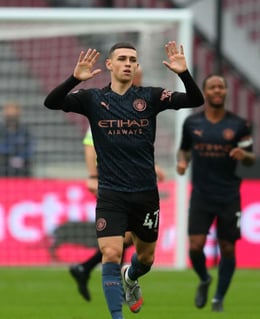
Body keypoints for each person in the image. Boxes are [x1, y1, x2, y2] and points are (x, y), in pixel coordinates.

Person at [44, 41, 204, 319]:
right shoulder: (92, 99)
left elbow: (194, 100)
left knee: (146, 259)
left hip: (145, 194)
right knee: (109, 253)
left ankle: (131, 278)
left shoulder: (150, 98)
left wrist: (184, 73)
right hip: (111, 193)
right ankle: (117, 316)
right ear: (110, 65)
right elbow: (52, 102)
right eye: (122, 59)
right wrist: (74, 79)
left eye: (133, 59)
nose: (128, 63)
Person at [176, 74, 255, 312]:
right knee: (195, 246)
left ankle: (219, 297)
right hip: (201, 195)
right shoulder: (192, 123)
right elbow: (184, 151)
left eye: (221, 86)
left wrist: (245, 156)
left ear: (226, 92)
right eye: (213, 87)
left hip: (229, 195)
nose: (217, 90)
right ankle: (204, 278)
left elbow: (251, 158)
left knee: (228, 247)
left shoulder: (239, 125)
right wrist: (182, 162)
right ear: (205, 92)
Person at [69, 127, 166, 302]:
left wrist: (151, 166)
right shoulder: (103, 109)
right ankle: (113, 283)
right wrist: (92, 176)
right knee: (119, 238)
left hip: (125, 181)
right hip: (111, 184)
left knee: (126, 238)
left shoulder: (122, 112)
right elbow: (90, 143)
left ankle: (85, 268)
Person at [0, 102, 34, 177]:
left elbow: (29, 150)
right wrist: (10, 158)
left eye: (14, 115)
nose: (11, 117)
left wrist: (19, 158)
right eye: (9, 115)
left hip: (22, 170)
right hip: (3, 169)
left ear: (18, 114)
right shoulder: (1, 131)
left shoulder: (25, 132)